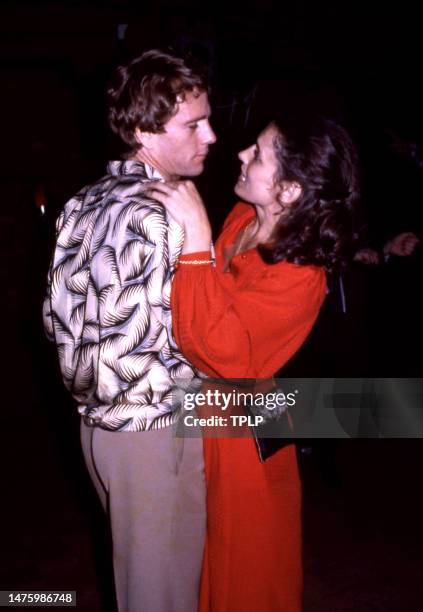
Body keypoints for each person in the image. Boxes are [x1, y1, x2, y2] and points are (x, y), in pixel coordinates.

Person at [150, 112, 360, 611]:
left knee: (246, 568)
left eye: (259, 154)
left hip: (248, 432)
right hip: (202, 413)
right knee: (201, 556)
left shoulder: (300, 275)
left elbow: (220, 350)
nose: (241, 153)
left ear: (288, 191)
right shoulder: (243, 219)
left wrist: (197, 246)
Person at [42, 49, 216, 612]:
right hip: (155, 428)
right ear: (144, 130)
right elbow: (200, 331)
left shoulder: (81, 203)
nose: (210, 135)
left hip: (98, 428)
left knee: (147, 584)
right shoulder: (168, 212)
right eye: (194, 124)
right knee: (161, 594)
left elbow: (52, 319)